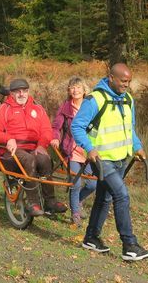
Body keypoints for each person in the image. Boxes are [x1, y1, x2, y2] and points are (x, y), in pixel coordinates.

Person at [72, 63, 148, 261]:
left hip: (121, 159)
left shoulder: (128, 100)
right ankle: (129, 245)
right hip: (101, 159)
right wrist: (89, 148)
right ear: (111, 77)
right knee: (121, 195)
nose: (126, 85)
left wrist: (137, 146)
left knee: (104, 198)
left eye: (129, 81)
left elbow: (130, 128)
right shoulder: (95, 99)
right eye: (123, 81)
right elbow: (77, 126)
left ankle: (91, 237)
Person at [0, 78, 68, 217]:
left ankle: (50, 201)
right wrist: (7, 138)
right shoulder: (3, 109)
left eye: (24, 91)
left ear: (28, 92)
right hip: (10, 151)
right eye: (18, 91)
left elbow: (46, 130)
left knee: (45, 160)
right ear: (11, 94)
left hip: (33, 147)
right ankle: (32, 202)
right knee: (30, 160)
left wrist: (42, 145)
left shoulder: (38, 108)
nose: (22, 94)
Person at [50, 77, 97, 226]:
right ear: (69, 91)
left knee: (92, 184)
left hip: (88, 151)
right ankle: (75, 213)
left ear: (84, 90)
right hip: (71, 151)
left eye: (78, 87)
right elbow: (56, 126)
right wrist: (55, 138)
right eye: (72, 88)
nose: (75, 90)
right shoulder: (66, 107)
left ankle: (78, 201)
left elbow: (96, 129)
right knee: (75, 183)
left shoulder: (90, 106)